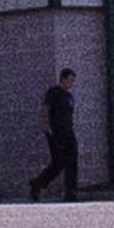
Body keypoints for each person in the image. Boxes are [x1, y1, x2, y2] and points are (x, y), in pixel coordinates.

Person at [30, 68, 79, 201]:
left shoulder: (69, 96)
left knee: (72, 162)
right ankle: (37, 183)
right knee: (58, 163)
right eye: (70, 80)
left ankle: (71, 192)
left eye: (73, 81)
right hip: (56, 133)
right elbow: (45, 109)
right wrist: (47, 128)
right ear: (63, 79)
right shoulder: (54, 93)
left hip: (69, 132)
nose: (71, 83)